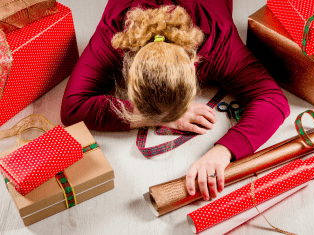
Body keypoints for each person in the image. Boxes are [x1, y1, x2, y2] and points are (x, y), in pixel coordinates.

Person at [61, 0, 290, 201]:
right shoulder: (114, 37)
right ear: (128, 68)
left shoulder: (219, 44)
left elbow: (272, 99)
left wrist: (223, 152)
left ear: (194, 68)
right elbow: (73, 107)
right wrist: (157, 116)